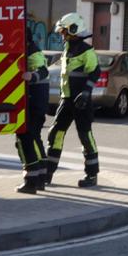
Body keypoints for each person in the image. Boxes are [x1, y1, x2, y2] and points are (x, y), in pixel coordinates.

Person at [42, 13, 100, 189]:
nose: (62, 34)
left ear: (74, 30)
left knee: (85, 136)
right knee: (56, 134)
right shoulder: (68, 48)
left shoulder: (86, 50)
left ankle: (92, 175)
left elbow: (95, 72)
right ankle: (48, 172)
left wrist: (86, 92)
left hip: (81, 100)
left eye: (64, 31)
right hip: (67, 99)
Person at [15, 32, 51, 194]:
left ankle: (30, 181)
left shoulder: (32, 52)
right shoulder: (32, 50)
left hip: (33, 103)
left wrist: (31, 76)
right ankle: (40, 178)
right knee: (34, 138)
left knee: (25, 139)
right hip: (37, 103)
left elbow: (43, 71)